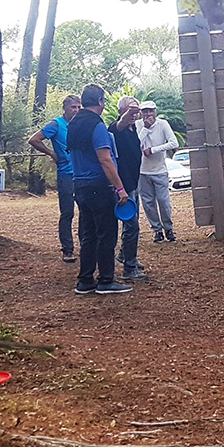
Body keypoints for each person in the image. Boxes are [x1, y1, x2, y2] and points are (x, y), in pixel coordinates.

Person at [65, 84, 132, 294]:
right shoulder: (97, 125)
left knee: (88, 234)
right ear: (101, 102)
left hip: (79, 184)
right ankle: (105, 280)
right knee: (106, 234)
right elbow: (105, 159)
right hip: (98, 186)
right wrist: (120, 188)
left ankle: (85, 280)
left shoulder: (73, 124)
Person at [29, 94, 82, 263]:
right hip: (66, 174)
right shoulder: (57, 124)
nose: (76, 110)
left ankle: (86, 245)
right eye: (73, 107)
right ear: (65, 108)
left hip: (82, 174)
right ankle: (67, 249)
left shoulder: (81, 124)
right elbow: (34, 139)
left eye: (79, 107)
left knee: (86, 211)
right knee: (67, 213)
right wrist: (51, 153)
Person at [107, 96, 146, 281]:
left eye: (135, 111)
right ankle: (129, 269)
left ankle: (125, 255)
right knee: (132, 226)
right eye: (129, 110)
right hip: (122, 186)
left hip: (133, 183)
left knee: (131, 223)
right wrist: (131, 111)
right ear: (121, 112)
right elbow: (120, 124)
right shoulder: (116, 129)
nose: (134, 114)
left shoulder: (133, 130)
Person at [136, 100, 179, 243]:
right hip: (143, 170)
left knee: (163, 201)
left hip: (160, 169)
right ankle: (157, 230)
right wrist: (146, 129)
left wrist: (153, 150)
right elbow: (136, 144)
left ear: (155, 112)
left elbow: (174, 143)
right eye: (145, 111)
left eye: (151, 111)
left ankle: (168, 227)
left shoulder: (163, 124)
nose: (148, 115)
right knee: (148, 203)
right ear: (141, 113)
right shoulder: (138, 125)